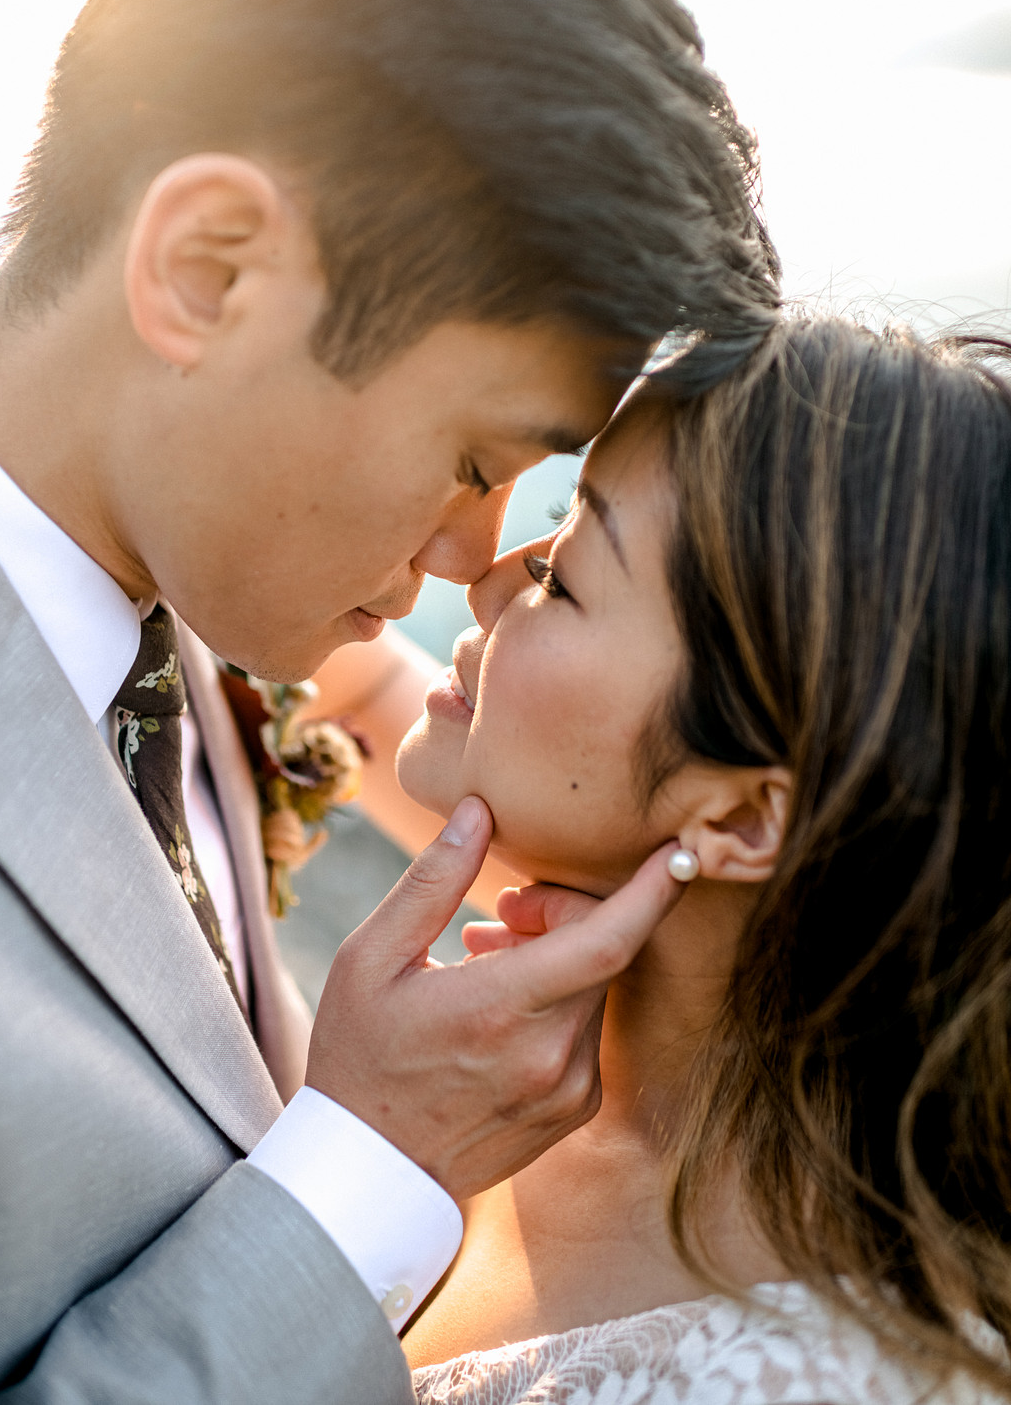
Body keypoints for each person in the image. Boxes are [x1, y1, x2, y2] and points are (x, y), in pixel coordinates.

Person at [0, 0, 779, 1405]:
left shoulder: (193, 626)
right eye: (474, 456)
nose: (481, 559)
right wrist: (371, 1167)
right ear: (210, 270)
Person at [385, 314, 1011, 1403]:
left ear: (741, 822)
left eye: (566, 577)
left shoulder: (829, 1379)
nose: (487, 583)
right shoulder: (506, 1075)